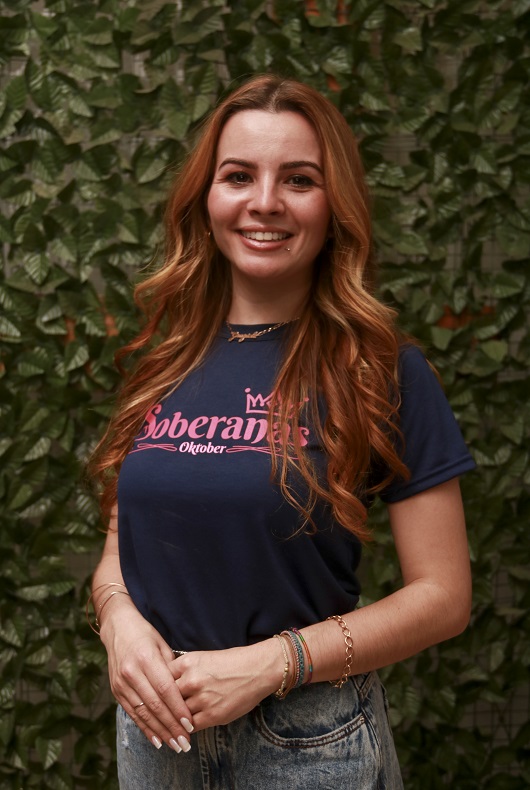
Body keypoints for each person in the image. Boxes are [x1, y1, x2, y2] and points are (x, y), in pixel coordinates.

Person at [88, 74, 475, 789]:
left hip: (309, 740)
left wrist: (273, 663)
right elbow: (122, 549)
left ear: (335, 207)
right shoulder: (166, 362)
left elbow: (444, 595)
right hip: (158, 734)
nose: (265, 201)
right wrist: (119, 624)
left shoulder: (381, 369)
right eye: (239, 176)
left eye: (299, 179)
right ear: (206, 200)